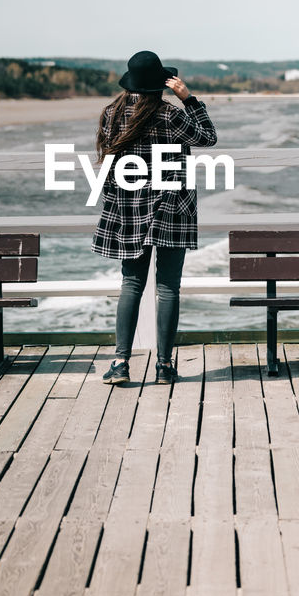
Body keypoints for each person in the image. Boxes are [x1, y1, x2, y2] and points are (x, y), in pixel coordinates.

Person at [92, 50, 218, 384]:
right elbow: (208, 136)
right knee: (168, 288)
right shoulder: (169, 114)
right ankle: (164, 366)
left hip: (129, 208)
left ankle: (120, 362)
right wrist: (189, 99)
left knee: (130, 285)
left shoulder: (111, 114)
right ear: (161, 83)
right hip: (171, 208)